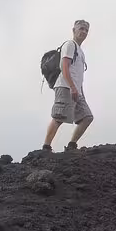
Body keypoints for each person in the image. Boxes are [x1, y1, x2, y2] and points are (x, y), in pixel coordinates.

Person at [43, 20, 93, 152]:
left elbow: (77, 74)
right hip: (65, 87)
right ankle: (46, 148)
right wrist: (72, 87)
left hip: (76, 90)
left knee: (87, 117)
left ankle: (71, 145)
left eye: (86, 30)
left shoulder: (80, 51)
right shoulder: (70, 45)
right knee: (59, 117)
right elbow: (64, 67)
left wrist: (79, 91)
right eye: (81, 28)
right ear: (74, 30)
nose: (84, 32)